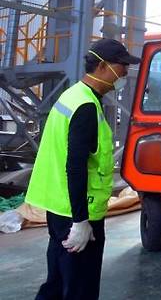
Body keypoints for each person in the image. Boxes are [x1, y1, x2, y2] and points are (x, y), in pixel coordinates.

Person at [25, 38, 140, 300]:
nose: (123, 74)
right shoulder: (86, 107)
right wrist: (80, 222)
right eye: (121, 67)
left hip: (59, 208)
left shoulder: (73, 95)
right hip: (77, 212)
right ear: (102, 66)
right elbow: (75, 167)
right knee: (80, 288)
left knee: (57, 282)